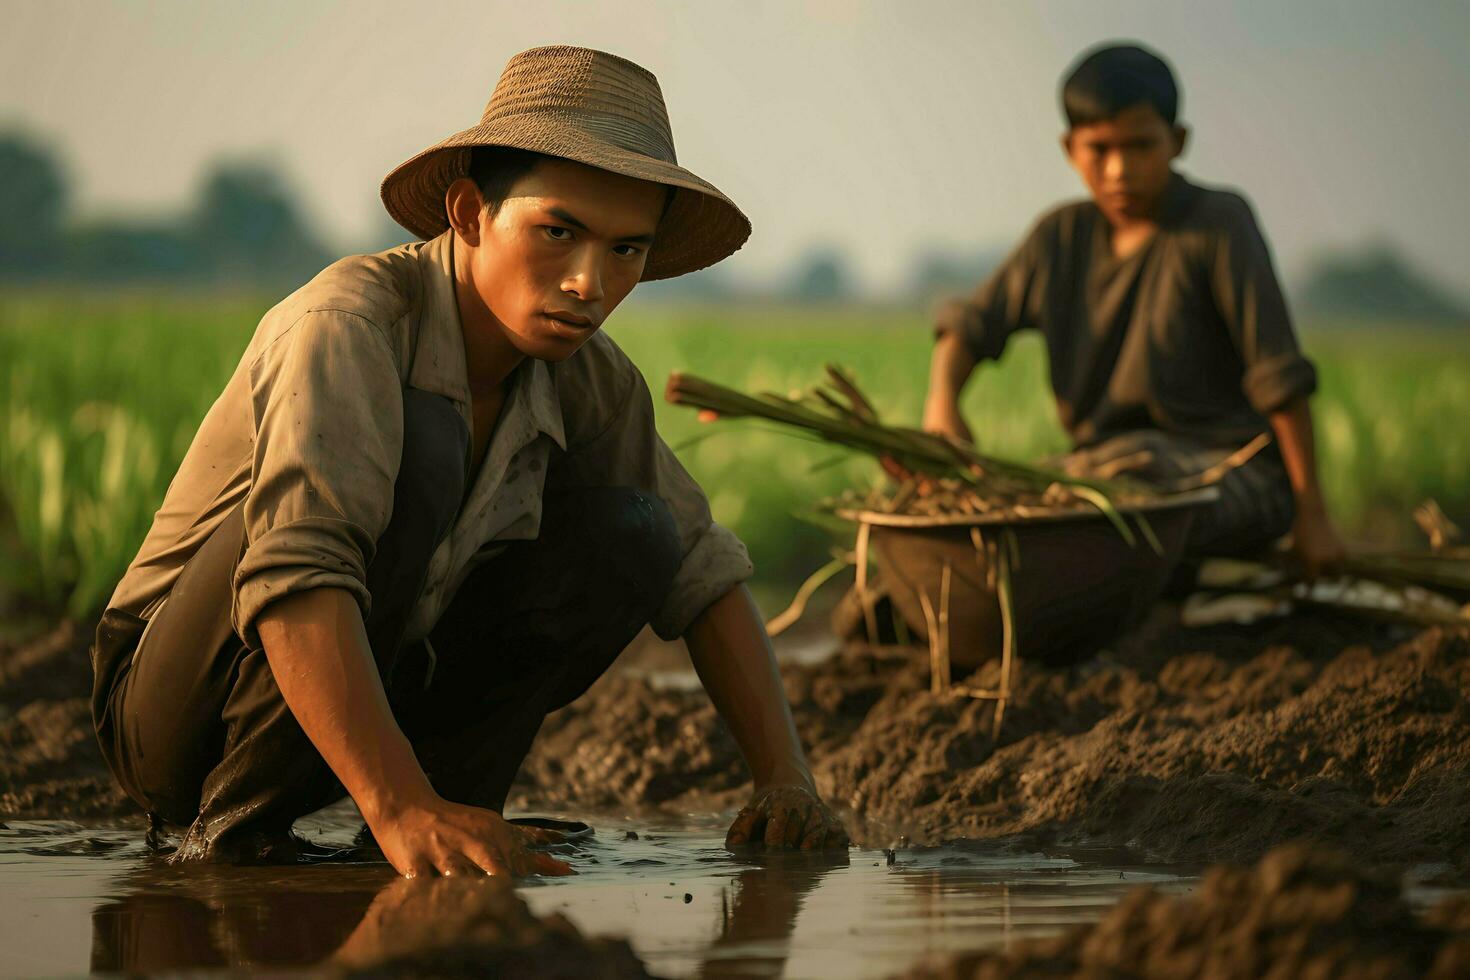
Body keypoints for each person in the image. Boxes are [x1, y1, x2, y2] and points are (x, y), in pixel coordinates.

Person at [90, 45, 847, 879]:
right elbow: (297, 574)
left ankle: (454, 811)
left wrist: (787, 778)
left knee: (633, 528)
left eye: (627, 251)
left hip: (367, 688)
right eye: (558, 232)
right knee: (424, 455)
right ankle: (247, 839)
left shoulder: (589, 378)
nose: (590, 282)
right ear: (469, 213)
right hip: (178, 718)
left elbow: (702, 569)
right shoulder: (350, 327)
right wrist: (395, 804)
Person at [921, 42, 1346, 574]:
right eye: (1099, 149)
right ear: (1070, 149)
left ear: (1178, 141)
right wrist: (943, 404)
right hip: (1101, 478)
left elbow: (1278, 377)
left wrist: (1314, 515)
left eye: (1141, 146)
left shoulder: (1217, 226)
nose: (1120, 169)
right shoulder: (1060, 237)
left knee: (1125, 479)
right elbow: (969, 326)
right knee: (1013, 501)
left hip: (1227, 475)